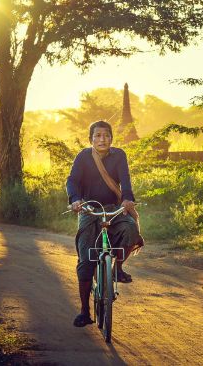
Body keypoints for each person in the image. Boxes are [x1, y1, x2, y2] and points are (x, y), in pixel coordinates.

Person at [66, 120, 143, 328]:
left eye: (106, 135)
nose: (102, 139)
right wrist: (75, 199)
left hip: (113, 209)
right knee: (86, 259)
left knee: (130, 230)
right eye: (98, 135)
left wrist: (127, 198)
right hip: (89, 209)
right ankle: (84, 311)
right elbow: (72, 180)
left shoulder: (119, 156)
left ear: (111, 138)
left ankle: (117, 267)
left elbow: (125, 180)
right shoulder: (83, 157)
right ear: (91, 138)